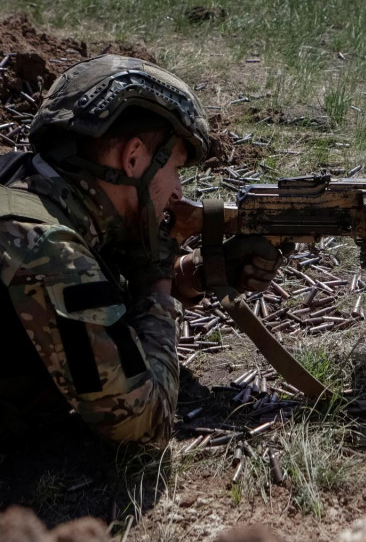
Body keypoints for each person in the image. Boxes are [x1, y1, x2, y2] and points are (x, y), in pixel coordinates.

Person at [0, 55, 281, 447]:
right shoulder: (48, 252)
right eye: (176, 168)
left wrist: (192, 275)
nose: (179, 192)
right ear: (133, 158)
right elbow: (143, 423)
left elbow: (100, 294)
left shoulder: (19, 181)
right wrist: (157, 286)